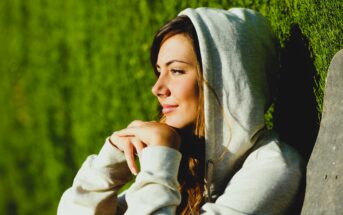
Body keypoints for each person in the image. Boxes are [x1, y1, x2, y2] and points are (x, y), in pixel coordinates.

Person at [58, 7, 304, 215]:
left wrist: (159, 159)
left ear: (225, 81)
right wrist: (107, 167)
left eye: (176, 71)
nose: (157, 88)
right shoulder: (185, 169)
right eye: (159, 71)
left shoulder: (272, 169)